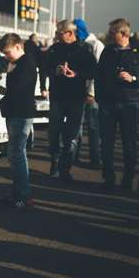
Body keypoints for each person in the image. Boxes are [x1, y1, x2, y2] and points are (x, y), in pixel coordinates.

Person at [95, 18, 139, 191]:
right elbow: (99, 75)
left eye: (113, 33)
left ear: (124, 33)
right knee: (107, 145)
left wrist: (132, 78)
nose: (109, 35)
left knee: (129, 145)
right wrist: (99, 98)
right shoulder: (108, 51)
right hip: (108, 104)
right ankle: (108, 179)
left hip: (130, 103)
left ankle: (127, 181)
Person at [46, 19, 97, 182]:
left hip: (76, 97)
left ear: (69, 33)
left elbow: (93, 71)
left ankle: (65, 168)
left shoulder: (85, 48)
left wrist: (77, 74)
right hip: (57, 97)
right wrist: (56, 70)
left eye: (59, 33)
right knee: (54, 132)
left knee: (72, 135)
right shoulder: (54, 49)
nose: (56, 36)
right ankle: (54, 162)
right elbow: (44, 67)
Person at [0, 33, 37, 209]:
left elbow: (17, 89)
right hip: (16, 112)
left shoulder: (25, 64)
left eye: (8, 53)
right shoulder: (18, 63)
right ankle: (18, 193)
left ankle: (23, 195)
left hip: (20, 113)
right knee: (15, 155)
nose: (7, 56)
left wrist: (10, 73)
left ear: (18, 47)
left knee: (17, 154)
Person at [74, 19, 105, 168]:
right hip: (80, 91)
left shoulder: (96, 45)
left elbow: (98, 71)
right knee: (77, 126)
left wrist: (91, 93)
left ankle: (95, 159)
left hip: (92, 94)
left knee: (93, 127)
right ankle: (75, 156)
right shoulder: (80, 44)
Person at [24, 33, 48, 98]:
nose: (37, 39)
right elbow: (38, 51)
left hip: (36, 63)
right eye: (35, 37)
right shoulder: (30, 43)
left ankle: (42, 91)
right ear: (32, 38)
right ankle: (42, 91)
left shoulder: (34, 44)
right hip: (34, 63)